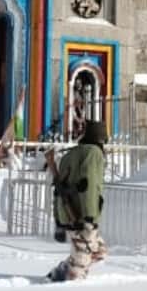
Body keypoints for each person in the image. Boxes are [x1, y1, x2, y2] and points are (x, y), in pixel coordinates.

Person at [44, 120, 108, 282]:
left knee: (99, 251)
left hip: (67, 210)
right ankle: (62, 280)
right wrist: (89, 217)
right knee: (78, 271)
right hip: (81, 214)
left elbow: (60, 185)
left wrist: (59, 219)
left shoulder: (71, 154)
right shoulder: (93, 153)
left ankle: (63, 269)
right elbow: (90, 185)